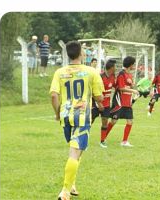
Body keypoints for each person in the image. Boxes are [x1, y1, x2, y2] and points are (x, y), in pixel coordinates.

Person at [50, 41, 104, 200]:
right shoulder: (91, 72)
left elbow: (54, 95)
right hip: (81, 117)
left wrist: (57, 113)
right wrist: (100, 100)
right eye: (84, 51)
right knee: (75, 153)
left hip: (66, 117)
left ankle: (71, 184)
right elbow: (99, 96)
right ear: (81, 54)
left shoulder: (59, 72)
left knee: (76, 151)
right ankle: (65, 192)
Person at [109, 56, 139, 147]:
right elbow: (121, 88)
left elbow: (129, 86)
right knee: (113, 121)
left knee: (130, 121)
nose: (134, 65)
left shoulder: (130, 75)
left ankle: (124, 141)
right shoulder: (121, 74)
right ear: (130, 65)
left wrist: (132, 87)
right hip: (119, 102)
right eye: (133, 64)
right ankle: (103, 138)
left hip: (127, 102)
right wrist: (133, 91)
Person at [91, 60, 117, 148]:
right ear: (111, 68)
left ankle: (102, 141)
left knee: (105, 121)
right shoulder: (100, 77)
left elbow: (115, 86)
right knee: (90, 121)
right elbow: (93, 91)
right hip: (96, 103)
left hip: (106, 105)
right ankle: (82, 138)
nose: (116, 68)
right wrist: (99, 103)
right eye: (115, 66)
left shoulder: (113, 76)